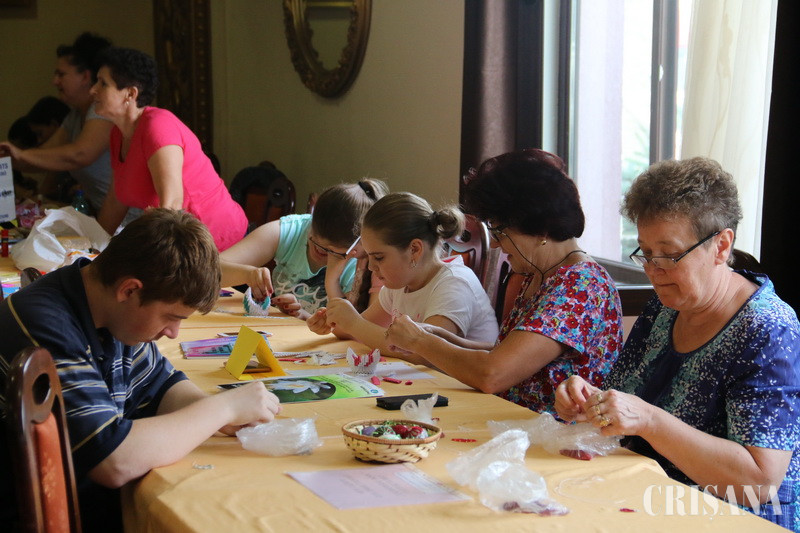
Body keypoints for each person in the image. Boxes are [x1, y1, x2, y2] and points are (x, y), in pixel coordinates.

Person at [554, 157, 800, 530]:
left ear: (721, 246)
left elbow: (760, 482)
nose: (654, 271)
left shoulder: (767, 329)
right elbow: (628, 402)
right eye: (645, 253)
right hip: (644, 495)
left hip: (729, 519)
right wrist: (591, 401)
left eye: (669, 255)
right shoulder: (665, 307)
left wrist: (650, 420)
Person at [0, 208, 282, 531]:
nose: (173, 333)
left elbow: (161, 386)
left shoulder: (109, 310)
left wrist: (218, 415)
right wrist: (224, 408)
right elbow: (113, 459)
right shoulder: (47, 327)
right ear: (130, 290)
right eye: (171, 317)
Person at [383, 150, 622, 413]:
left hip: (555, 432)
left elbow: (493, 374)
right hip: (514, 421)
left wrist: (419, 340)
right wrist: (443, 338)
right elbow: (506, 353)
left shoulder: (581, 287)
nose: (495, 244)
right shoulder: (541, 275)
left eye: (499, 232)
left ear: (539, 227)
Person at [90, 47, 246, 250]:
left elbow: (171, 205)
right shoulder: (117, 134)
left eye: (103, 83)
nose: (93, 90)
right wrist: (92, 249)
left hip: (215, 241)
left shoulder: (158, 126)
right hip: (179, 241)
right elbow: (115, 202)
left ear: (130, 93)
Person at [310, 191, 499, 356]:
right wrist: (334, 319)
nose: (371, 267)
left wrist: (353, 323)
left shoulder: (454, 284)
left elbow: (425, 354)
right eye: (369, 257)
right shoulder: (400, 284)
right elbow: (357, 331)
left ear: (414, 249)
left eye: (379, 257)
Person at [221, 179, 387, 319]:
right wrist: (246, 274)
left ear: (356, 247)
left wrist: (332, 281)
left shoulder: (362, 262)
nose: (318, 251)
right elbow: (211, 270)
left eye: (330, 252)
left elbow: (352, 327)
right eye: (313, 239)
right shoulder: (293, 229)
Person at [0, 32, 121, 216]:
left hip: (130, 221)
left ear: (85, 77)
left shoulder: (102, 111)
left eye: (61, 74)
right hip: (104, 215)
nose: (54, 81)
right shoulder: (74, 116)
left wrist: (21, 154)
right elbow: (42, 158)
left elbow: (80, 154)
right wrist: (7, 159)